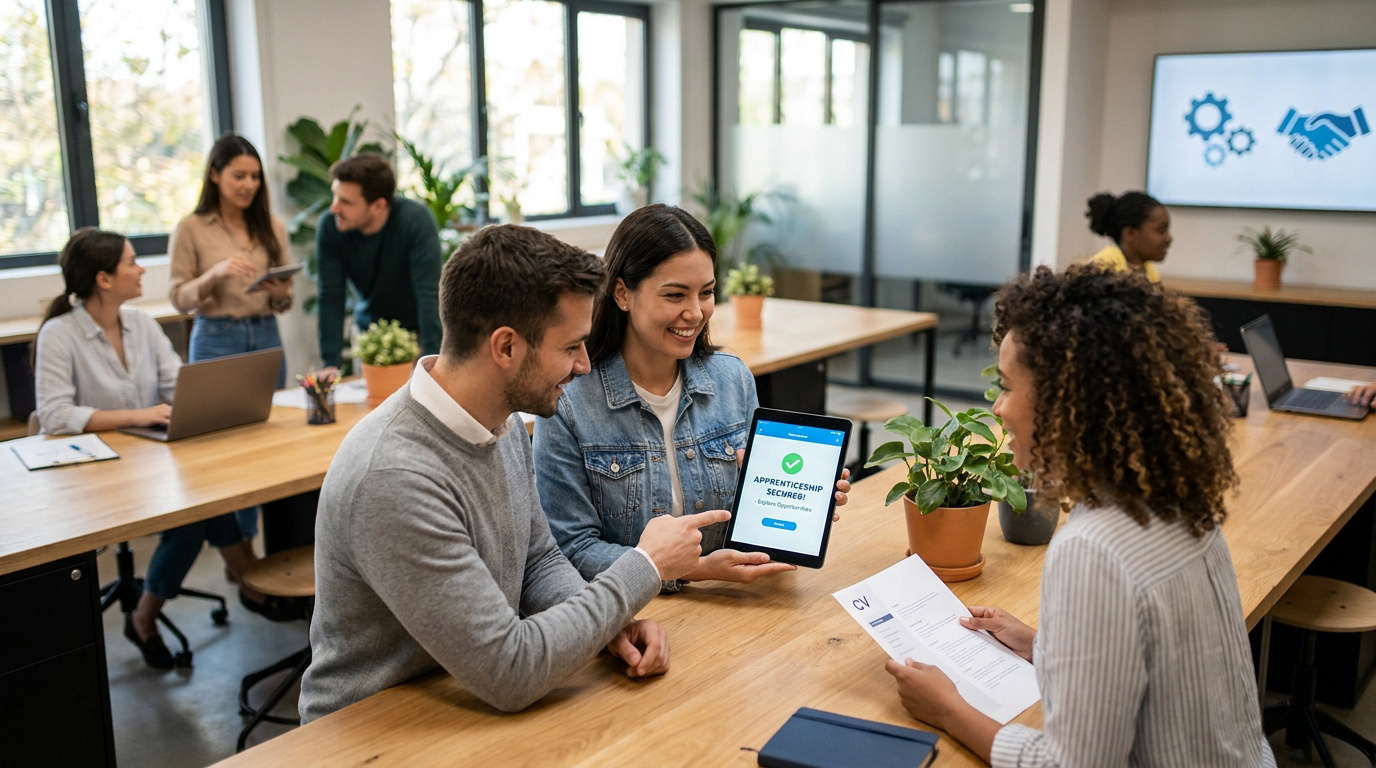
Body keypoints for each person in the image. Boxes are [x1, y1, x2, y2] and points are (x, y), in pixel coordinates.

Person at [299, 224, 725, 723]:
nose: (585, 365)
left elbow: (538, 561)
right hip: (372, 734)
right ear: (505, 348)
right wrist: (644, 568)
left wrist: (611, 624)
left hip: (462, 701)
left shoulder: (498, 421)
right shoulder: (394, 477)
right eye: (570, 347)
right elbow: (511, 670)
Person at [884, 264, 1275, 767]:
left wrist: (949, 709)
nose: (998, 409)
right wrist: (1039, 644)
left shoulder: (1091, 549)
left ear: (1068, 402)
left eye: (1006, 386)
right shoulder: (1175, 498)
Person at [533, 204, 848, 591]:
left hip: (732, 605)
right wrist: (691, 569)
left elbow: (748, 530)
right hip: (637, 618)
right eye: (675, 295)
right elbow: (571, 551)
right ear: (622, 294)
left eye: (707, 293)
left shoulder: (732, 379)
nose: (696, 313)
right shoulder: (568, 402)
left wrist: (795, 505)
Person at [34, 228, 286, 669]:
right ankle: (235, 582)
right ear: (103, 279)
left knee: (205, 498)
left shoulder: (141, 325)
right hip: (92, 477)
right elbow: (54, 415)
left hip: (148, 462)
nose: (141, 268)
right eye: (131, 261)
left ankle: (225, 585)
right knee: (194, 515)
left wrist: (214, 398)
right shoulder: (60, 334)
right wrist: (138, 416)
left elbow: (179, 384)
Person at [168, 133, 295, 589]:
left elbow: (286, 301)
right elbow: (179, 298)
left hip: (263, 333)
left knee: (268, 439)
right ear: (215, 175)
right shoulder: (192, 228)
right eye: (239, 175)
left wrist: (280, 292)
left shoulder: (271, 227)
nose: (248, 184)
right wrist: (215, 274)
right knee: (222, 453)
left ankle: (265, 557)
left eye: (255, 177)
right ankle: (241, 557)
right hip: (216, 337)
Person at [315, 153, 442, 369]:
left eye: (345, 201)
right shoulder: (330, 226)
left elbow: (428, 295)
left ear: (378, 205)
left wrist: (434, 363)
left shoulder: (415, 221)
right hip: (369, 337)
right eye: (335, 196)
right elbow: (330, 297)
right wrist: (330, 364)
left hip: (416, 338)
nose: (334, 208)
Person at [1084, 190, 1171, 283]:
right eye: (1161, 231)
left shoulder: (1149, 272)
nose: (1169, 238)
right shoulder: (1102, 269)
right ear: (1130, 234)